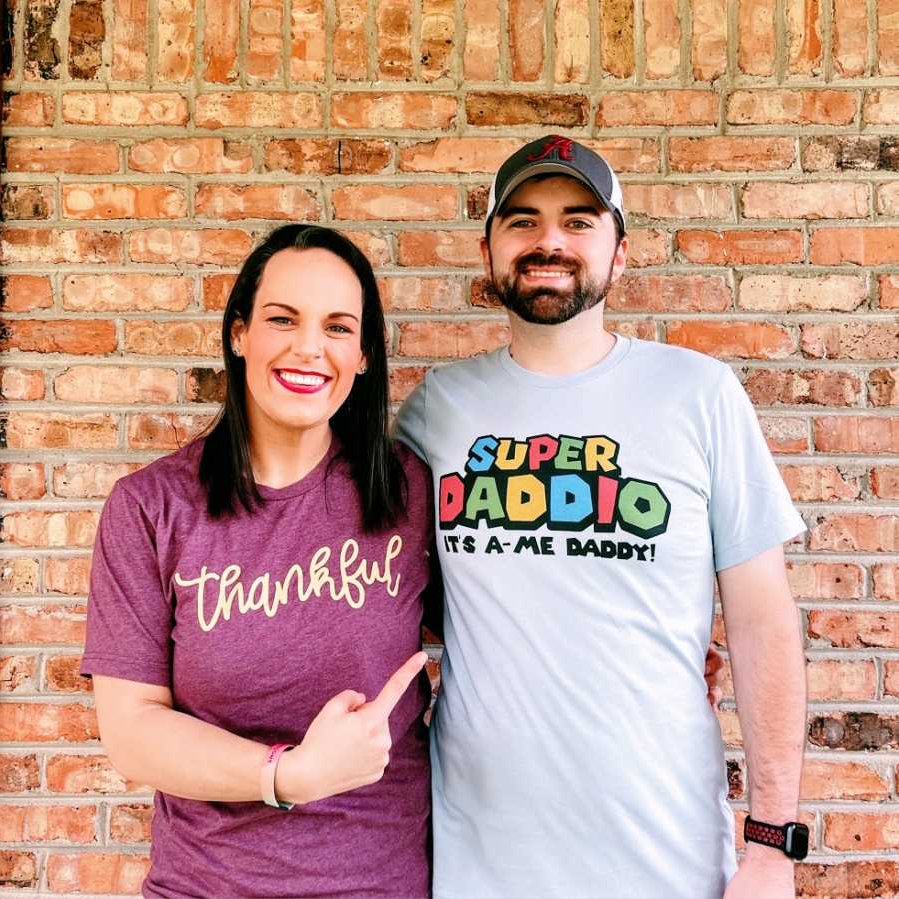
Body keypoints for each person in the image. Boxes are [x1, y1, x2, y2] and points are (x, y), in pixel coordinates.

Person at [394, 136, 808, 899]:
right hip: (481, 863)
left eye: (578, 221)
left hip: (670, 859)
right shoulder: (434, 412)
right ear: (488, 249)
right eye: (522, 220)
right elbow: (388, 605)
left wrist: (772, 841)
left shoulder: (700, 395)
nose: (548, 239)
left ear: (620, 253)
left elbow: (762, 623)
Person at [81, 224, 436, 898]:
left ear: (362, 356)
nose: (309, 347)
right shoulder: (151, 507)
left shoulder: (408, 490)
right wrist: (287, 774)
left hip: (377, 884)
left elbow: (502, 619)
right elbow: (131, 732)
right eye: (282, 318)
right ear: (239, 333)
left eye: (337, 327)